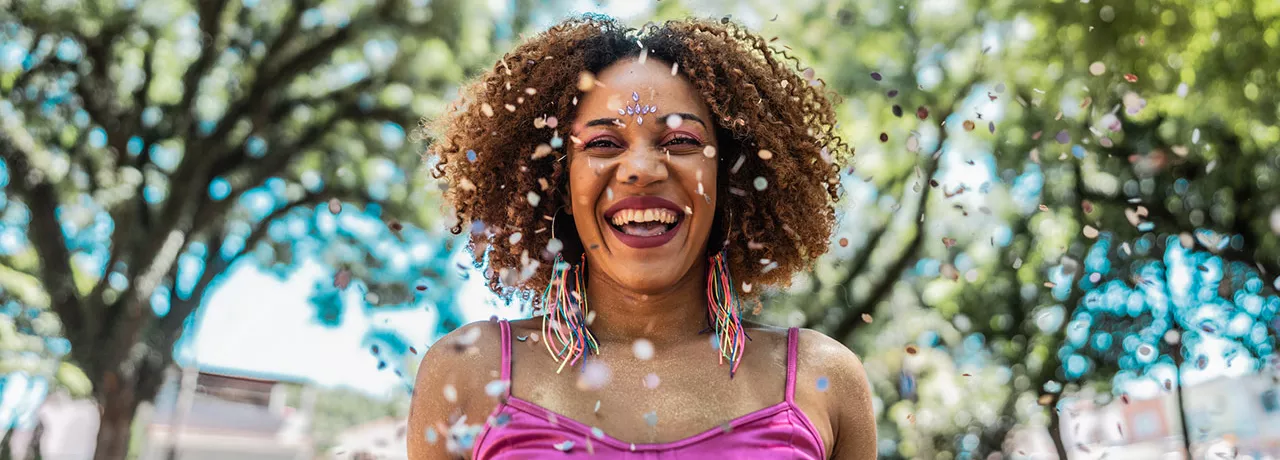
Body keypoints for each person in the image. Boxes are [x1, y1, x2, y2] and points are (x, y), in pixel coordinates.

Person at [408, 14, 876, 459]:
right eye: (604, 144)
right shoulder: (468, 371)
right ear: (559, 185)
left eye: (681, 142)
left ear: (728, 178)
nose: (642, 171)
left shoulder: (822, 379)